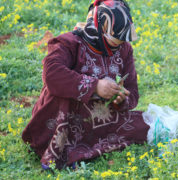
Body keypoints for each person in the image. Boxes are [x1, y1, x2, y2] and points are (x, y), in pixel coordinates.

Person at [22, 0, 149, 169]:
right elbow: (52, 74)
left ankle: (84, 145)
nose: (119, 44)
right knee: (65, 93)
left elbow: (132, 90)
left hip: (100, 117)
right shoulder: (68, 43)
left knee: (144, 126)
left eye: (122, 39)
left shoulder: (124, 49)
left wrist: (121, 98)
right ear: (99, 29)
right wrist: (95, 86)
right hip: (64, 118)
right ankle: (62, 150)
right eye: (115, 39)